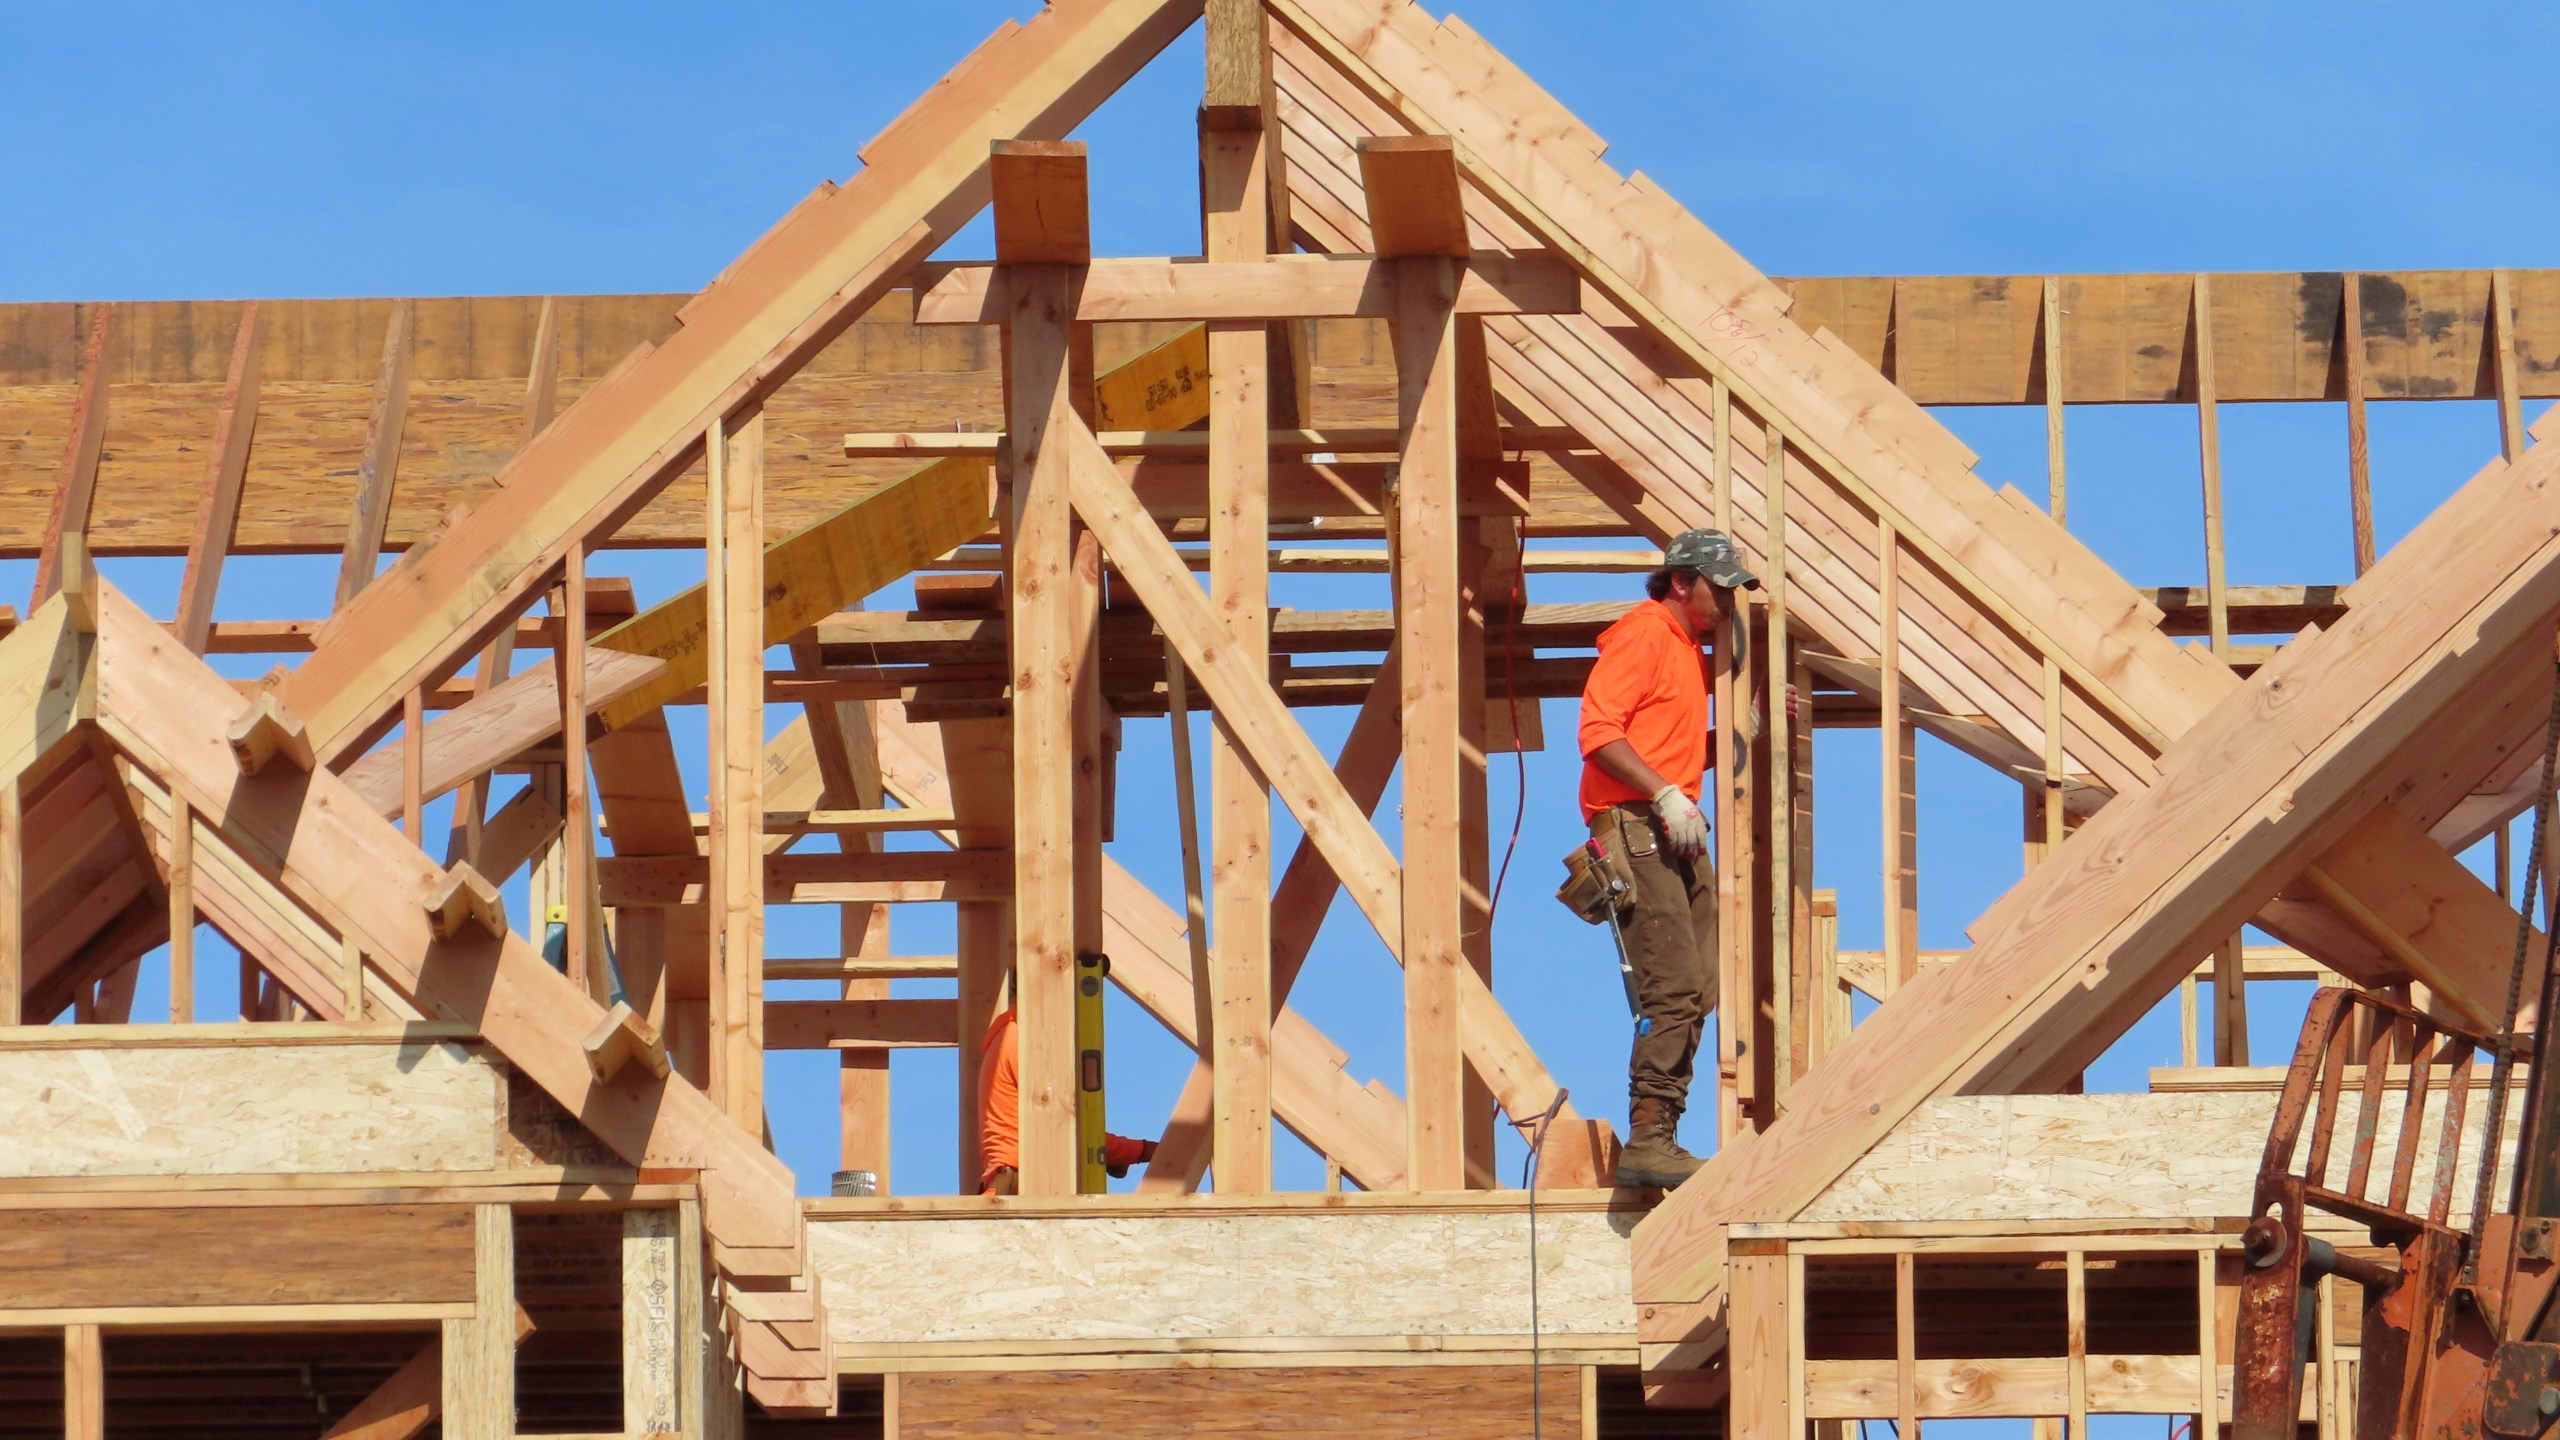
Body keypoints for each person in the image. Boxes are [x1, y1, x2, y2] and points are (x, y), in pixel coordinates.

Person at [1577, 528, 1761, 1190]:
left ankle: (1662, 1131)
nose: (1728, 606)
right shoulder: (1647, 632)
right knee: (1675, 981)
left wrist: (1745, 730)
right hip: (1635, 822)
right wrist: (1663, 794)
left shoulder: (1687, 649)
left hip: (1665, 821)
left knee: (1703, 982)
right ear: (1683, 582)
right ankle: (1650, 1136)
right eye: (1721, 589)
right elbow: (1598, 734)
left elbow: (1671, 748)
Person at [976, 1003, 1157, 1195]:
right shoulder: (1021, 1042)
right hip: (1019, 1190)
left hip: (1013, 1188)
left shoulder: (1010, 1036)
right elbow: (1067, 1128)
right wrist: (1141, 1151)